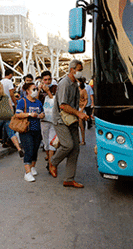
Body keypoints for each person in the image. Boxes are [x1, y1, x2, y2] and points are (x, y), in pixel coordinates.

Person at [49, 59, 89, 188]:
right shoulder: (64, 84)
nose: (81, 72)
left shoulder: (75, 84)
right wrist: (79, 114)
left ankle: (69, 179)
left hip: (71, 120)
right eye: (79, 69)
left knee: (75, 149)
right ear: (72, 70)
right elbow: (63, 105)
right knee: (68, 145)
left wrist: (79, 114)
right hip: (61, 120)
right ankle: (53, 162)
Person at [15, 83, 45, 182]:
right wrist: (29, 114)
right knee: (29, 148)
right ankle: (27, 172)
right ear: (27, 91)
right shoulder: (22, 101)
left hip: (37, 129)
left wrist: (41, 115)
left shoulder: (38, 102)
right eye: (33, 89)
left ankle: (32, 166)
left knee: (35, 149)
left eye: (36, 89)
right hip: (26, 129)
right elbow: (18, 114)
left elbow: (42, 112)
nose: (35, 91)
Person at [38, 71, 57, 165]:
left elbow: (55, 102)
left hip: (53, 119)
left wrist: (48, 92)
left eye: (49, 79)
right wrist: (38, 90)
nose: (48, 81)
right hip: (44, 120)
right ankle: (49, 157)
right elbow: (35, 102)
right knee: (45, 141)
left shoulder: (55, 88)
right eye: (45, 80)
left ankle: (51, 164)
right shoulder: (39, 90)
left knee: (51, 142)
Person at [78, 78, 89, 145]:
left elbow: (86, 100)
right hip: (76, 108)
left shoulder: (84, 90)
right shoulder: (75, 90)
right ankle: (78, 139)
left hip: (81, 108)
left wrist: (82, 108)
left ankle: (83, 140)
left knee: (81, 125)